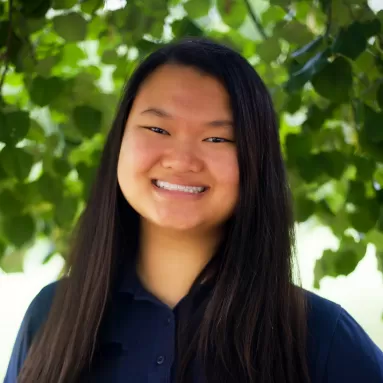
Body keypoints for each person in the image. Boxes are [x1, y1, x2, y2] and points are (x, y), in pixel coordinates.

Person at [4, 37, 383, 383]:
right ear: (119, 139)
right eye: (157, 130)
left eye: (217, 138)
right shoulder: (52, 316)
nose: (182, 160)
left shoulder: (317, 333)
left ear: (256, 162)